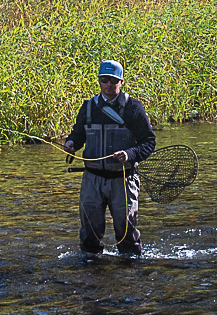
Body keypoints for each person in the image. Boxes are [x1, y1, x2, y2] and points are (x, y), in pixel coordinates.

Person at [63, 59, 156, 257]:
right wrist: (71, 144)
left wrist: (130, 154)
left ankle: (130, 271)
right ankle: (92, 268)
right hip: (92, 180)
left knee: (126, 233)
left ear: (121, 82)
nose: (108, 85)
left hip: (123, 180)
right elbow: (78, 135)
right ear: (99, 81)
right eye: (104, 80)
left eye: (112, 81)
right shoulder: (88, 107)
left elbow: (149, 142)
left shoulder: (133, 108)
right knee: (89, 232)